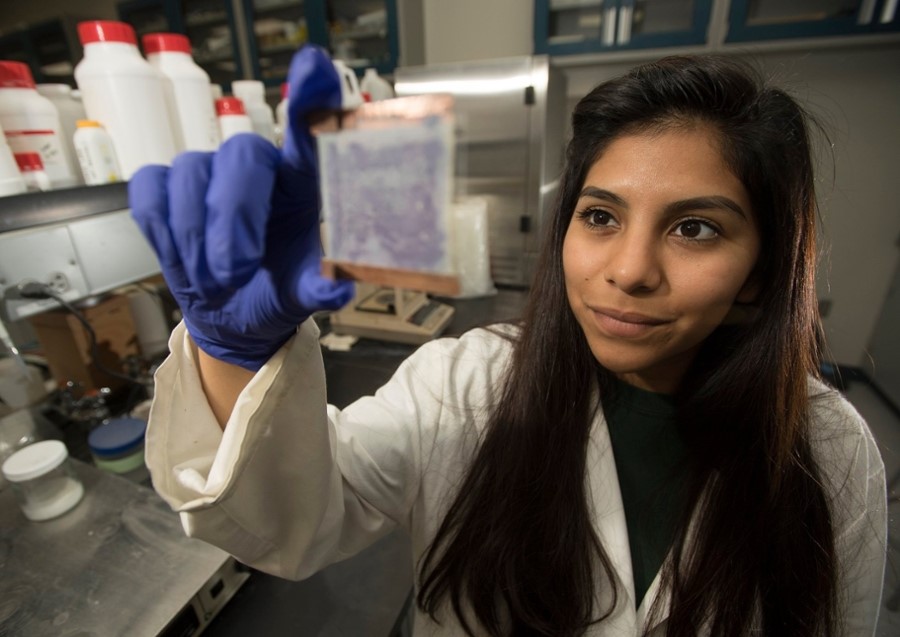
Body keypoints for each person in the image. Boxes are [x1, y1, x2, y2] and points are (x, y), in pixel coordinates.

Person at [129, 46, 887, 636]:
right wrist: (232, 351)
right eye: (600, 216)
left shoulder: (829, 447)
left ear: (759, 273)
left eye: (695, 228)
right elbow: (296, 517)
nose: (628, 270)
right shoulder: (469, 382)